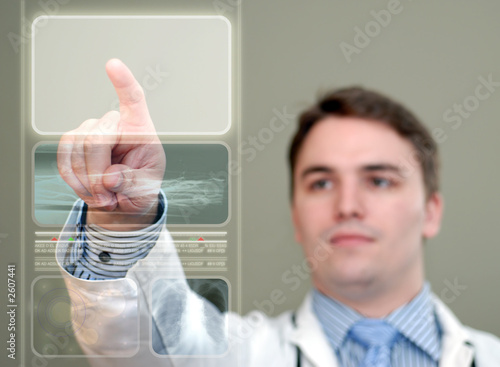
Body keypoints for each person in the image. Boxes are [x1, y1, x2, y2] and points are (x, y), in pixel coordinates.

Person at [56, 59, 500, 367]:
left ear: (431, 212)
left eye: (379, 180)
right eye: (321, 182)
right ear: (295, 215)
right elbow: (136, 343)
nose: (347, 205)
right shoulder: (231, 355)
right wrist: (124, 216)